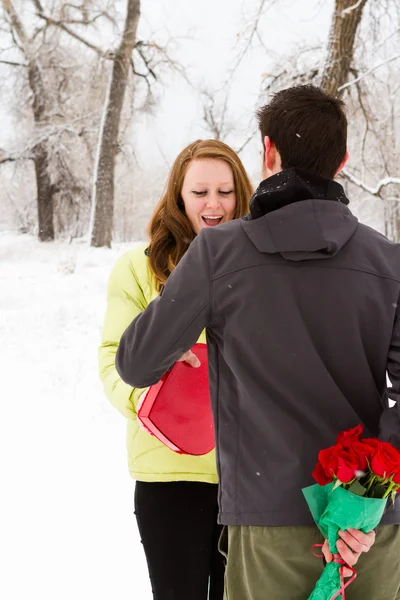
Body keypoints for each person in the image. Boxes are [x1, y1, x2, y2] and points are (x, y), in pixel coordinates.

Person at [115, 85, 400, 600]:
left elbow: (135, 363)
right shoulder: (388, 263)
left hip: (266, 519)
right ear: (343, 159)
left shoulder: (218, 255)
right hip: (368, 532)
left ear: (268, 152)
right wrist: (368, 494)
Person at [99, 139, 253, 600]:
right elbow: (113, 358)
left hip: (248, 475)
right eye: (199, 192)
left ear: (241, 195)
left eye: (225, 192)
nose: (213, 204)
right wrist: (154, 398)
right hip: (169, 475)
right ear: (178, 196)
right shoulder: (138, 269)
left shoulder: (261, 269)